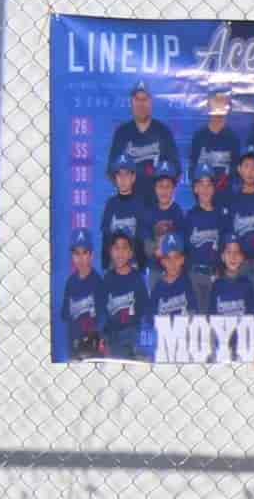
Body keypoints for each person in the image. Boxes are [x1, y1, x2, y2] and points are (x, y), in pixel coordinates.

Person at [107, 82, 179, 199]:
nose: (141, 104)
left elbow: (176, 169)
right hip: (129, 202)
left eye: (144, 99)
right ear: (131, 102)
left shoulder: (163, 132)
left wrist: (163, 195)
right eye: (137, 100)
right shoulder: (122, 133)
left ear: (151, 102)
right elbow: (111, 170)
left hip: (157, 204)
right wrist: (125, 191)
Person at [98, 228, 153, 361]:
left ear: (130, 253)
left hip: (132, 334)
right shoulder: (107, 279)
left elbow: (144, 309)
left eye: (124, 248)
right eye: (116, 248)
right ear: (110, 252)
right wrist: (102, 336)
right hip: (112, 335)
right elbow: (102, 311)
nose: (120, 253)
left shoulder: (137, 279)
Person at [186, 87, 244, 192]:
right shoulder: (199, 137)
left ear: (228, 108)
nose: (219, 108)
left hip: (226, 197)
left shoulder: (233, 138)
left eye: (222, 104)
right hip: (203, 198)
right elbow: (192, 169)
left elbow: (236, 172)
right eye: (216, 104)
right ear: (209, 107)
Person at [59, 235, 108, 359]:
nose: (80, 258)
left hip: (93, 345)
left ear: (91, 255)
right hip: (74, 344)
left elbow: (103, 318)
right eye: (76, 253)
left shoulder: (98, 283)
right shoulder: (70, 282)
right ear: (72, 256)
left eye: (84, 253)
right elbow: (65, 315)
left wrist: (99, 339)